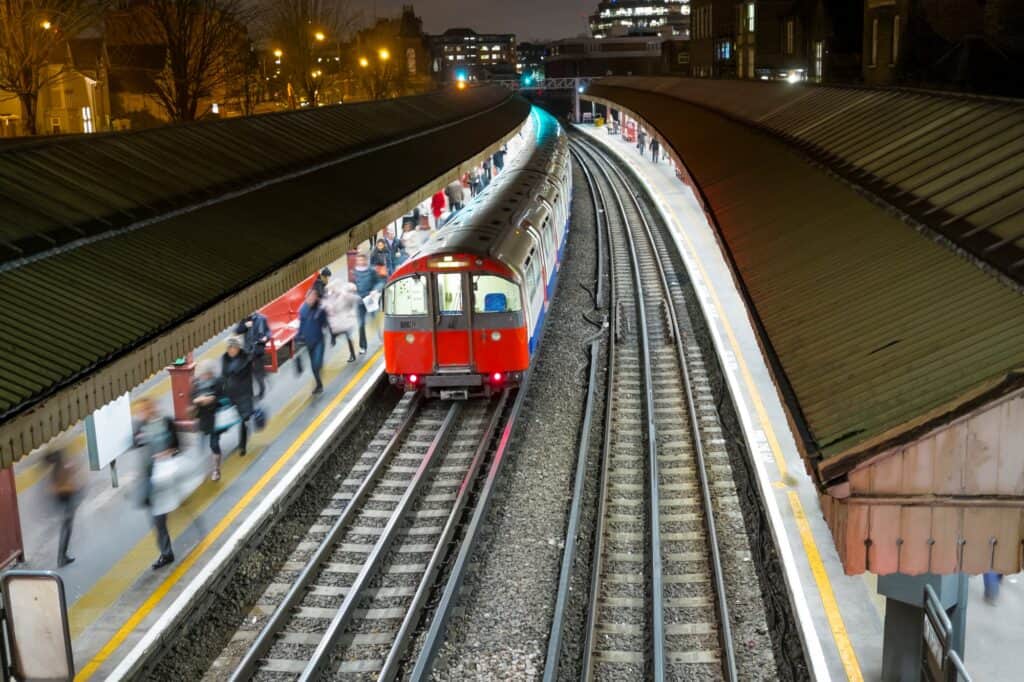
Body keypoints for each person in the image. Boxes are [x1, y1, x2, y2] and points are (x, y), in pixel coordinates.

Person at [135, 398, 178, 569]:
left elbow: (177, 445)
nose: (142, 413)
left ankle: (167, 552)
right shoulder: (140, 428)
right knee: (157, 519)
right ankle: (166, 553)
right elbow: (134, 443)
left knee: (160, 516)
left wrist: (168, 452)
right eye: (140, 411)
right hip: (151, 479)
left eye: (145, 409)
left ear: (152, 408)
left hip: (166, 474)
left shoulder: (166, 423)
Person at [47, 448, 82, 567]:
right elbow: (67, 485)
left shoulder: (56, 469)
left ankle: (62, 557)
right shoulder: (61, 468)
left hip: (63, 500)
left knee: (66, 529)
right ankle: (62, 557)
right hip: (66, 500)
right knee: (66, 529)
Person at [191, 361, 224, 480]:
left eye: (207, 374)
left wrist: (212, 399)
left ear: (211, 373)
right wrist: (197, 401)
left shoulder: (217, 382)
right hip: (203, 419)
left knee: (214, 444)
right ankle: (203, 466)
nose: (204, 377)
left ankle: (216, 469)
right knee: (201, 443)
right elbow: (192, 398)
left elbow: (222, 397)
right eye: (202, 374)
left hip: (216, 418)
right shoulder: (196, 384)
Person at [221, 336, 254, 455]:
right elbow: (223, 375)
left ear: (238, 348)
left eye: (233, 347)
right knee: (231, 418)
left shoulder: (246, 359)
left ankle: (242, 445)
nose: (231, 350)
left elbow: (244, 372)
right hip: (231, 394)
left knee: (244, 419)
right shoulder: (224, 358)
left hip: (244, 393)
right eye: (229, 347)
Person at [298, 288, 330, 393]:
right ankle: (319, 385)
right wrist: (297, 338)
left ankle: (319, 368)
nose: (311, 299)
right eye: (309, 297)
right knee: (313, 366)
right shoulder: (302, 310)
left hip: (319, 341)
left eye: (313, 297)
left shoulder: (320, 309)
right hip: (309, 342)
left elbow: (325, 322)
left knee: (317, 364)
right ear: (306, 298)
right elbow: (301, 326)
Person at [353, 253, 384, 354]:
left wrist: (375, 290)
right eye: (359, 260)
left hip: (370, 300)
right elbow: (351, 286)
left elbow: (380, 282)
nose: (361, 262)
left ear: (366, 261)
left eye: (362, 260)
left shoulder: (371, 271)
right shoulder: (354, 273)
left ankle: (382, 338)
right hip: (360, 302)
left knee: (376, 320)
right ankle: (363, 347)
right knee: (361, 324)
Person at [236, 311, 270, 398]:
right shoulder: (244, 320)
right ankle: (250, 393)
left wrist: (266, 337)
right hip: (247, 351)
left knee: (257, 373)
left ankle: (262, 389)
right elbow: (237, 331)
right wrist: (245, 326)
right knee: (248, 373)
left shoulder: (262, 318)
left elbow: (268, 332)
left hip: (258, 350)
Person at [324, 280, 360, 362]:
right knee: (337, 332)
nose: (331, 291)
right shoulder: (331, 296)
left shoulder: (344, 294)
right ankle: (334, 338)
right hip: (338, 321)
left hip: (346, 319)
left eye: (332, 290)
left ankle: (353, 355)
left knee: (349, 337)